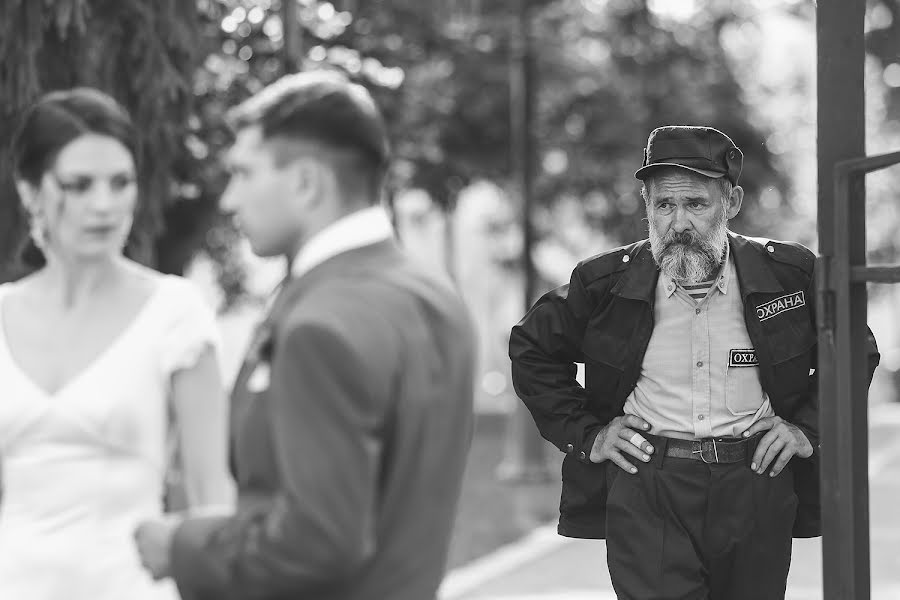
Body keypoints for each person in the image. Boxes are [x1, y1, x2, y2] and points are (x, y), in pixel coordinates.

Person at [134, 71, 478, 600]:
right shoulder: (438, 298)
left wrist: (182, 545)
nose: (229, 199)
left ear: (306, 183)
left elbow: (318, 543)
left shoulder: (319, 324)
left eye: (244, 174)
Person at [509, 125, 880, 600]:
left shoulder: (788, 275)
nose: (678, 222)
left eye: (696, 204)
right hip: (649, 487)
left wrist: (807, 429)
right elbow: (531, 349)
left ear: (731, 202)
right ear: (647, 206)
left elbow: (855, 347)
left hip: (756, 483)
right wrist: (589, 436)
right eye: (664, 205)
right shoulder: (603, 283)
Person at [0, 87, 234, 600]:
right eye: (78, 185)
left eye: (120, 183)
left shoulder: (175, 312)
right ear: (30, 191)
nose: (103, 205)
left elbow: (210, 497)